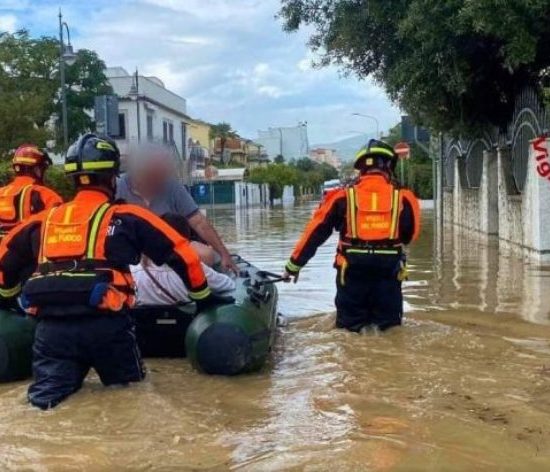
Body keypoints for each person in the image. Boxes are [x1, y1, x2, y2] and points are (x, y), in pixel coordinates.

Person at [0, 134, 232, 410]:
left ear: (73, 178)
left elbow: (4, 267)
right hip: (107, 328)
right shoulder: (129, 217)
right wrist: (203, 298)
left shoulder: (41, 222)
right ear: (112, 178)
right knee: (130, 397)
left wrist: (9, 301)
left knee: (45, 403)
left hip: (52, 331)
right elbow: (184, 258)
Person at [283, 140, 421, 333]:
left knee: (349, 331)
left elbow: (315, 233)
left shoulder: (341, 197)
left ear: (361, 169)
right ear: (389, 166)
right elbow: (409, 236)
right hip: (388, 272)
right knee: (390, 330)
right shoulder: (405, 198)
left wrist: (293, 265)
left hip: (351, 271)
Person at [116, 143, 237, 273]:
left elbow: (198, 222)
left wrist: (224, 254)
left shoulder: (171, 186)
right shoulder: (117, 188)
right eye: (156, 174)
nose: (161, 179)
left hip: (170, 249)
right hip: (133, 251)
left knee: (206, 255)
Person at [131, 214, 236, 306]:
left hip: (144, 324)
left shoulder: (133, 270)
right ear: (185, 241)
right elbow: (228, 285)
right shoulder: (195, 269)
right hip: (185, 324)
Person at [0, 144, 62, 240]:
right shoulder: (46, 195)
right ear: (36, 169)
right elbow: (58, 229)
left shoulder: (1, 192)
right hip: (28, 252)